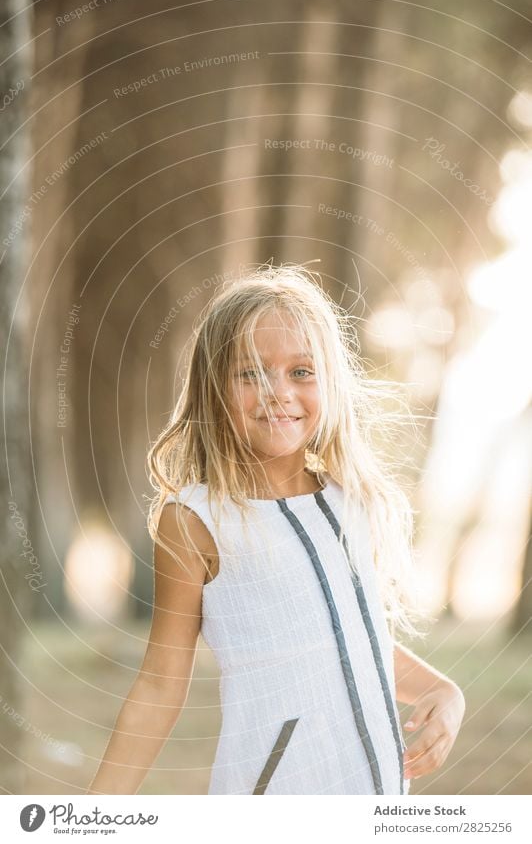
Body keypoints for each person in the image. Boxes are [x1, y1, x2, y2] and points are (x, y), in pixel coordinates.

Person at [87, 263, 465, 795]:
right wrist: (87, 818)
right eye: (250, 373)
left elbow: (351, 643)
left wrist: (445, 691)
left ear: (329, 381)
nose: (277, 392)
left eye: (301, 372)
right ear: (213, 387)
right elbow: (159, 685)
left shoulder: (354, 501)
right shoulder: (195, 520)